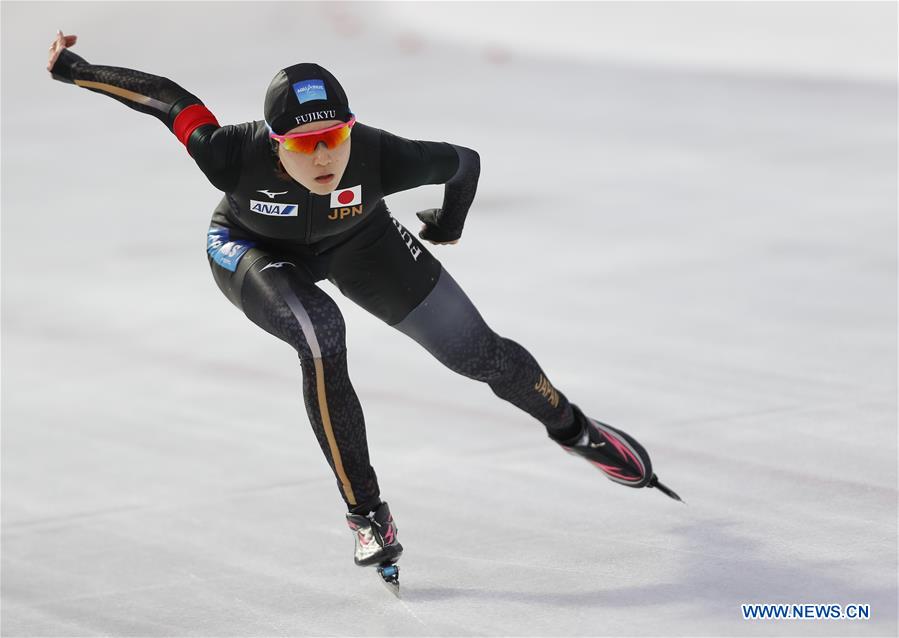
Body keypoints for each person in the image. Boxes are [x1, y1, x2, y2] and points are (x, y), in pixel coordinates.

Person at [47, 30, 680, 580]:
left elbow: (464, 163)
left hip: (362, 243)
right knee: (321, 332)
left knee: (478, 354)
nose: (323, 157)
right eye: (302, 145)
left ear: (351, 128)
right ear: (274, 144)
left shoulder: (378, 154)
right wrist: (77, 70)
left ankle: (572, 427)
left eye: (333, 137)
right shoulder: (231, 152)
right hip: (251, 249)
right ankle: (366, 515)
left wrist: (450, 223)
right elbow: (170, 100)